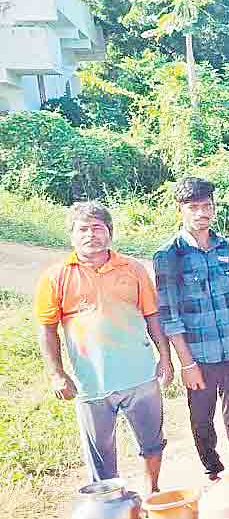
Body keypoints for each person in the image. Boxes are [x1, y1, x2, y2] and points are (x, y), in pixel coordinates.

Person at [35, 201, 173, 494]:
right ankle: (111, 504)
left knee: (152, 441)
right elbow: (47, 329)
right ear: (71, 235)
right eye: (83, 229)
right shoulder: (56, 276)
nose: (91, 235)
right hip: (92, 381)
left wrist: (165, 358)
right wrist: (57, 374)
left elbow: (152, 315)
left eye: (98, 228)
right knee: (100, 453)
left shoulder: (133, 268)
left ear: (109, 232)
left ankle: (153, 492)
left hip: (140, 375)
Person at [153, 178, 229, 482]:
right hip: (199, 356)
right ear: (181, 210)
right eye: (194, 207)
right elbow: (170, 316)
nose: (201, 213)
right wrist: (187, 364)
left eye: (207, 206)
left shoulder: (223, 247)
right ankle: (213, 470)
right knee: (202, 417)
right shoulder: (169, 255)